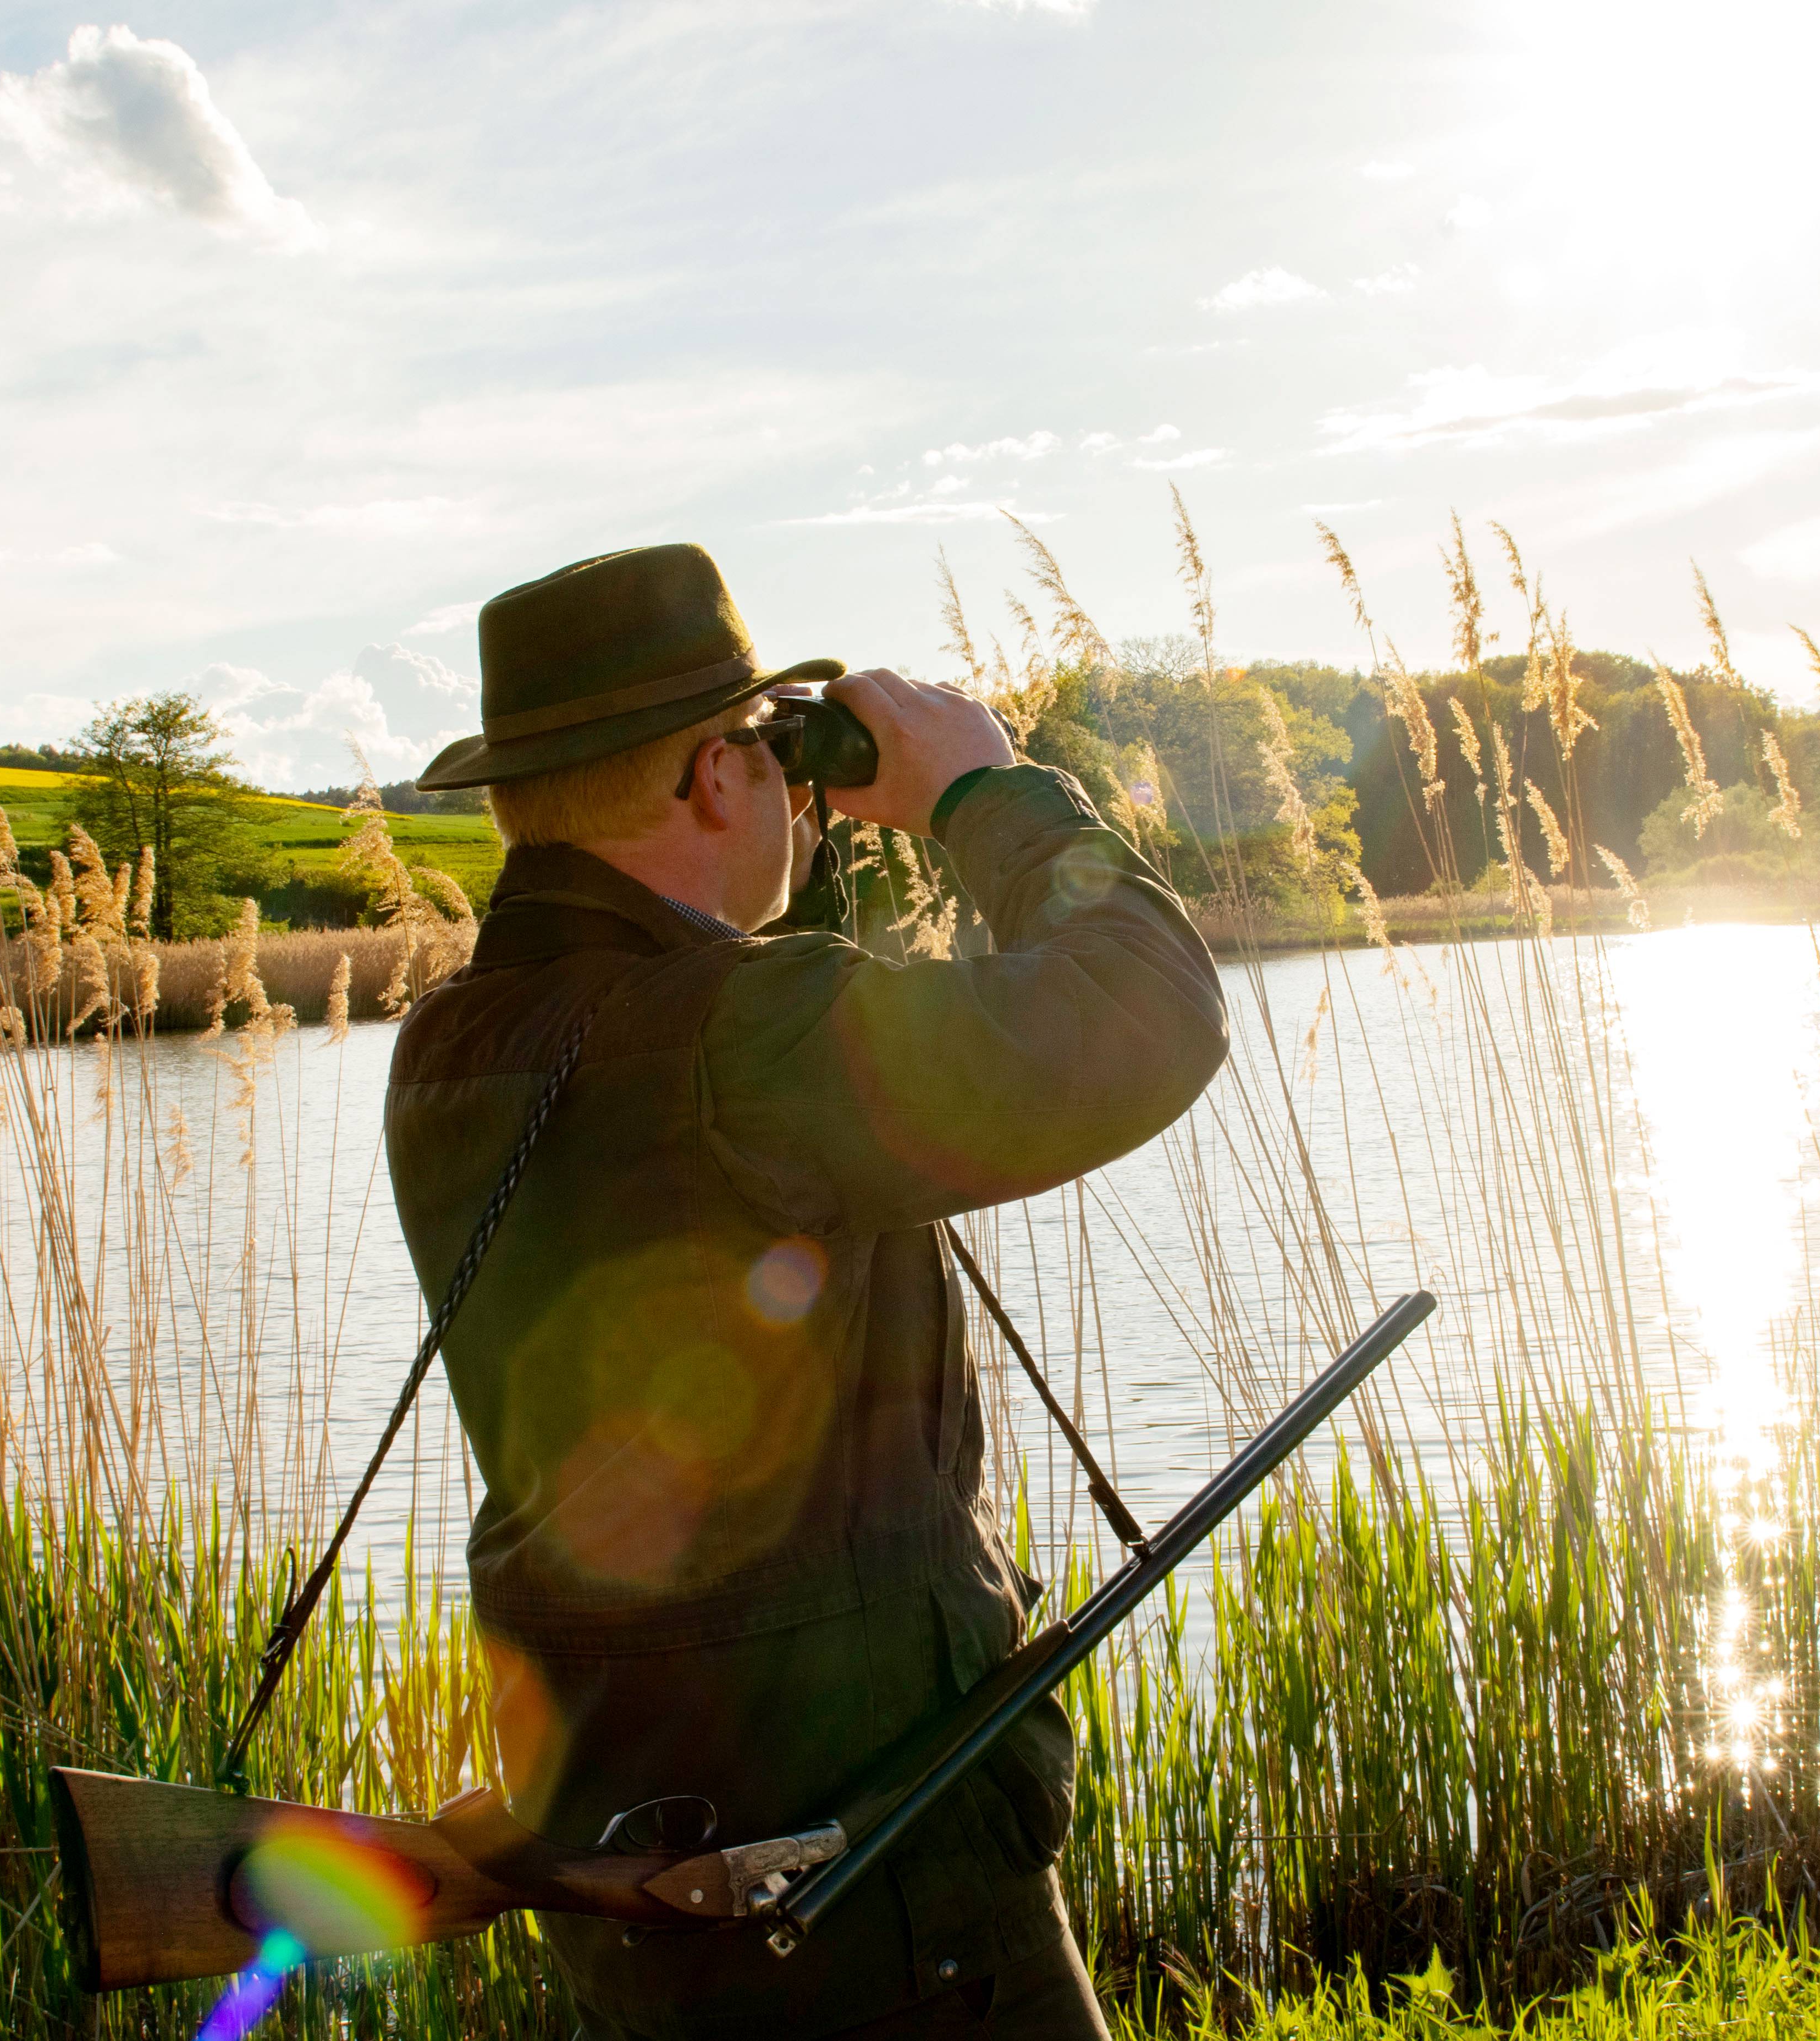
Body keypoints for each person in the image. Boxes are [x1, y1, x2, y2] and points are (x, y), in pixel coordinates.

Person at [386, 543, 1227, 2039]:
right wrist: (984, 793)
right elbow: (1146, 1015)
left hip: (626, 1839)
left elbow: (741, 1085)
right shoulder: (743, 1042)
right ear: (717, 776)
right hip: (867, 1864)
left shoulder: (452, 1046)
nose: (793, 793)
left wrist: (799, 870)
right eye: (772, 762)